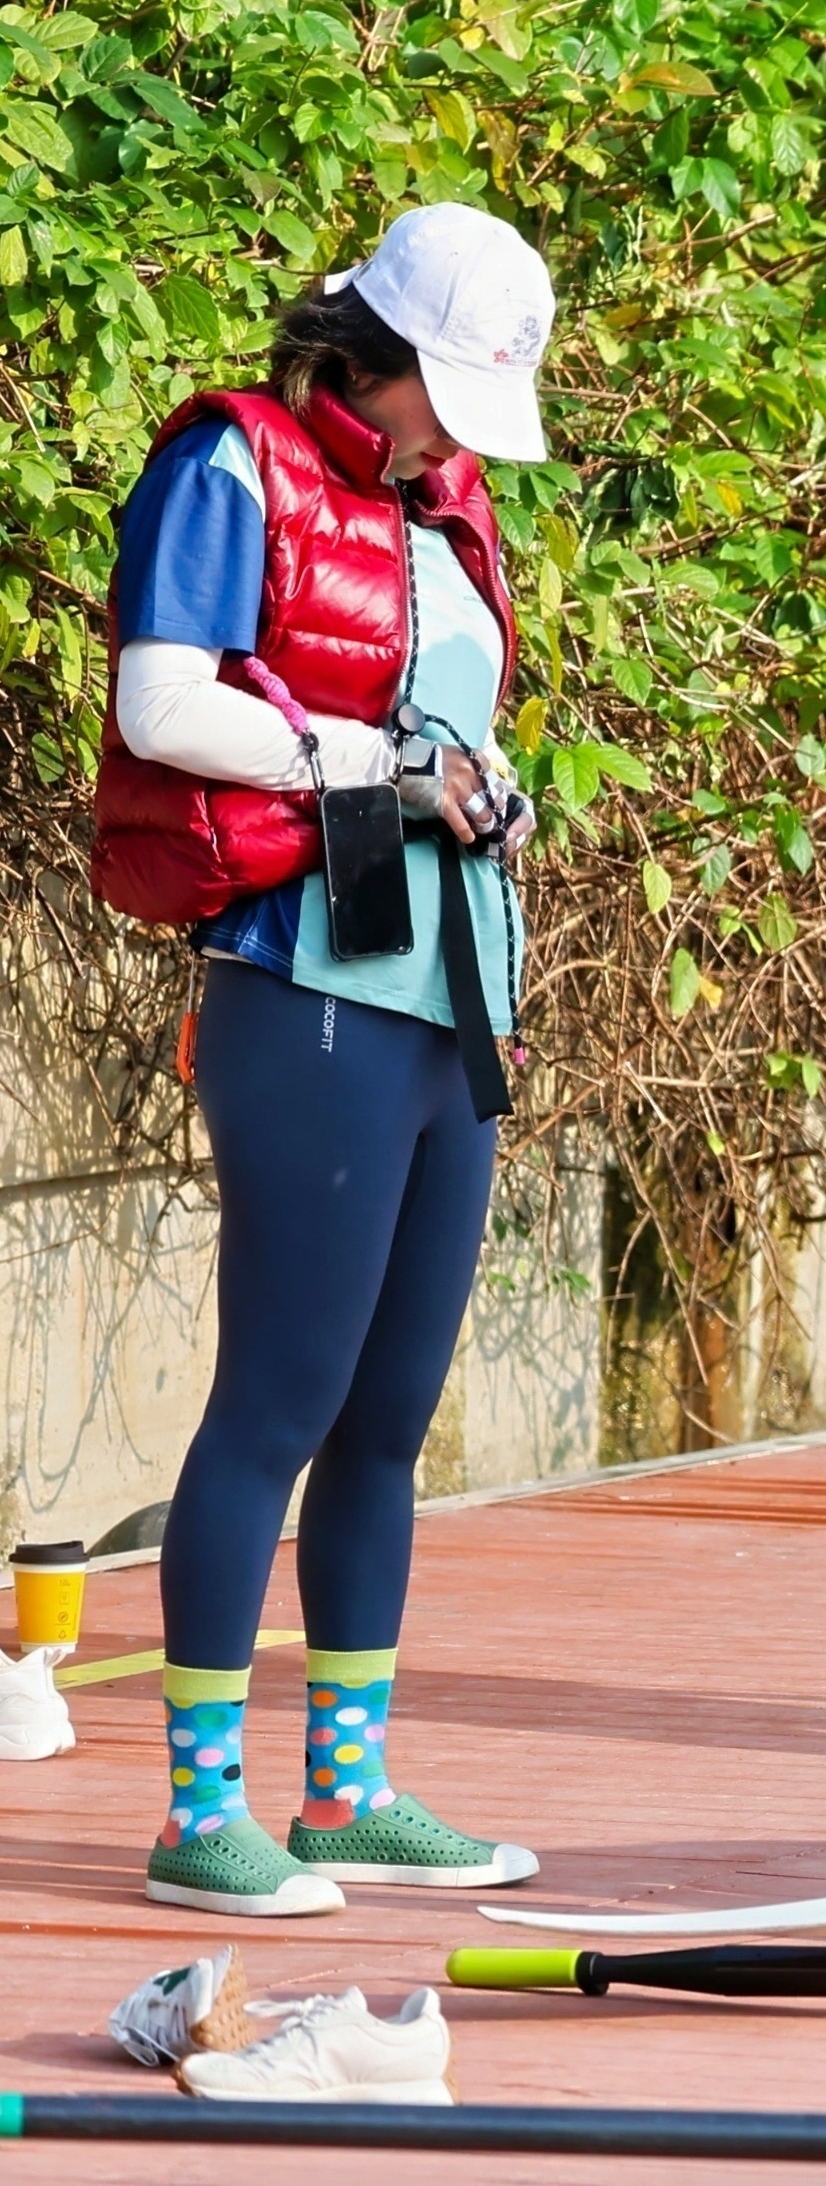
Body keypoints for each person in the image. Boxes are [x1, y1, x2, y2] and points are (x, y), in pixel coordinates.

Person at [92, 203, 559, 1916]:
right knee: (274, 1404)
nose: (455, 431)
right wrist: (374, 756)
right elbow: (163, 703)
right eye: (445, 388)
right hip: (309, 983)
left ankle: (346, 1793)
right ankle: (201, 1817)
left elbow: (456, 722)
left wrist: (478, 784)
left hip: (444, 991)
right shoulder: (236, 462)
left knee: (388, 1418)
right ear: (374, 351)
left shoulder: (443, 500)